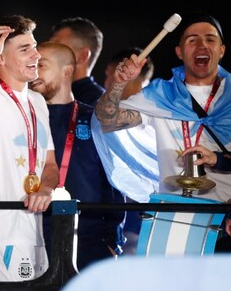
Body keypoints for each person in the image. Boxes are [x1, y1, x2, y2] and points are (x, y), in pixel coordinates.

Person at [95, 11, 231, 204]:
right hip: (173, 211)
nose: (202, 45)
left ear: (222, 50)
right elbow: (107, 121)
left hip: (225, 215)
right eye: (192, 40)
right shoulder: (159, 95)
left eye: (210, 40)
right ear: (179, 52)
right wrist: (119, 83)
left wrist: (218, 159)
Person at [0, 15, 58, 281]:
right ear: (1, 58)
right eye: (25, 49)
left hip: (32, 229)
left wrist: (46, 188)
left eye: (35, 46)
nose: (37, 54)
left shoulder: (38, 102)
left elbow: (49, 165)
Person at [29, 41, 125, 270]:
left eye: (41, 65)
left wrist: (113, 242)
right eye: (32, 65)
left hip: (88, 240)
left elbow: (114, 184)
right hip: (33, 238)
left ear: (67, 70)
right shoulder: (24, 120)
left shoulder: (94, 120)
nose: (34, 73)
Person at [102, 46, 155, 255]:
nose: (106, 82)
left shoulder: (158, 106)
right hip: (125, 222)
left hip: (152, 217)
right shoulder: (110, 109)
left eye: (108, 75)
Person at [49, 16, 105, 106]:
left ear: (82, 56)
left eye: (57, 47)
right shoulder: (46, 92)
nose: (47, 53)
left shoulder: (99, 104)